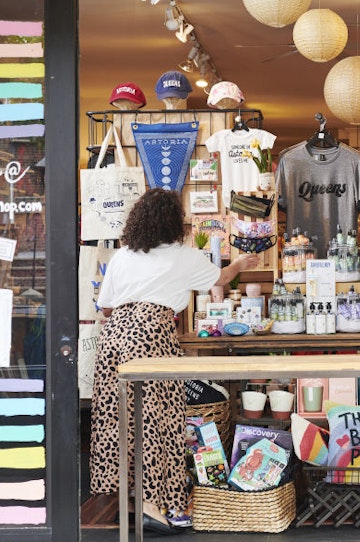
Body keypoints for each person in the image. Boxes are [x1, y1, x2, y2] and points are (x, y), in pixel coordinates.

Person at [89, 188, 258, 534]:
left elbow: (105, 305)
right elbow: (220, 279)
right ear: (172, 223)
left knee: (120, 419)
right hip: (151, 334)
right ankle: (153, 507)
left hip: (115, 336)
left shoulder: (124, 255)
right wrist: (239, 264)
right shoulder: (185, 256)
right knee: (157, 417)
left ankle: (133, 499)